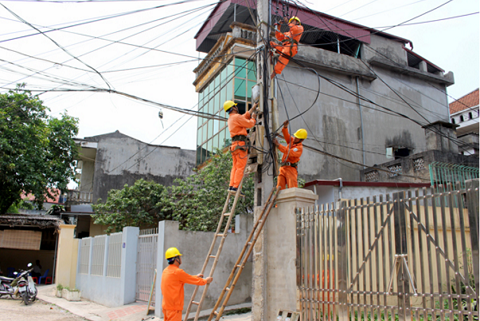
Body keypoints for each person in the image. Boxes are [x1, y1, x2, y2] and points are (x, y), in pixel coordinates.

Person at [161, 247, 213, 321]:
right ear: (176, 259)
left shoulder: (166, 271)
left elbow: (184, 278)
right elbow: (190, 279)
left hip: (166, 306)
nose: (181, 258)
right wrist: (205, 281)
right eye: (179, 257)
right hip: (174, 308)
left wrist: (196, 276)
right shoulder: (178, 272)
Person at [224, 100, 257, 195]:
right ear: (233, 108)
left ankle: (232, 186)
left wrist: (252, 109)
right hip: (240, 146)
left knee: (234, 167)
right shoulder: (236, 117)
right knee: (240, 168)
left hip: (234, 146)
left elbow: (243, 117)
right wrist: (253, 119)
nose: (237, 107)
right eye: (235, 106)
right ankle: (236, 187)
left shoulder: (231, 119)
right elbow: (250, 124)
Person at [273, 120, 307, 190]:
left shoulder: (299, 148)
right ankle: (280, 200)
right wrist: (285, 127)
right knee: (279, 188)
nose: (295, 138)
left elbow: (289, 153)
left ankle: (293, 201)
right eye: (295, 136)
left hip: (291, 169)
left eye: (297, 137)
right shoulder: (292, 141)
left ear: (301, 140)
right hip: (283, 168)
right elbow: (287, 136)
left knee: (292, 188)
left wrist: (278, 145)